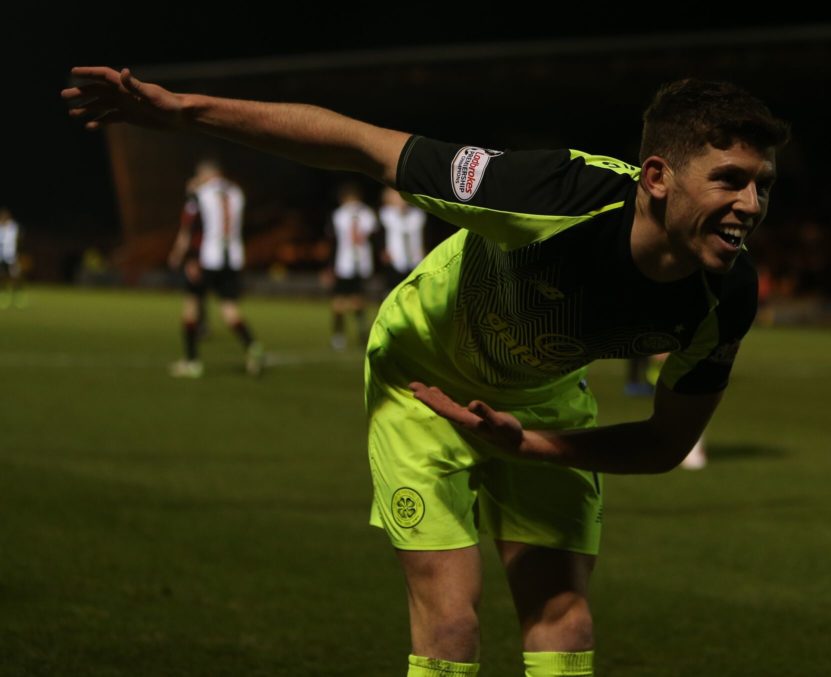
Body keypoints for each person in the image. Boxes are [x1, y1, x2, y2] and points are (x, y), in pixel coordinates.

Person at [64, 67, 787, 675]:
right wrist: (185, 110)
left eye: (761, 185)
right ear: (657, 177)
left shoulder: (727, 295)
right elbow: (360, 144)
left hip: (540, 399)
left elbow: (665, 442)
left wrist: (533, 445)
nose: (749, 206)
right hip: (423, 377)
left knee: (564, 621)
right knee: (450, 627)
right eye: (729, 181)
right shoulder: (547, 193)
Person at [166, 160, 264, 378]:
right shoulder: (237, 193)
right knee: (229, 307)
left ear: (205, 174)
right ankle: (252, 345)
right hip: (233, 258)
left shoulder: (200, 194)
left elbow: (191, 228)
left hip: (207, 258)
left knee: (191, 305)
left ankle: (192, 362)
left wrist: (186, 257)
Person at [327, 182, 376, 350]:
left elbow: (333, 242)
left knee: (345, 302)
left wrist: (329, 266)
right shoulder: (365, 214)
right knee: (352, 301)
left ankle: (344, 336)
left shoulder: (343, 215)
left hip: (353, 263)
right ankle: (350, 335)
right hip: (349, 263)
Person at [378, 185, 427, 290]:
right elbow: (380, 235)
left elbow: (422, 235)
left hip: (414, 257)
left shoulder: (417, 215)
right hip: (394, 258)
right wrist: (383, 250)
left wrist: (423, 249)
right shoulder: (386, 215)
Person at [0, 207, 24, 309]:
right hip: (1, 256)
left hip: (11, 255)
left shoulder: (13, 226)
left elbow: (19, 238)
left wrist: (17, 251)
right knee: (2, 276)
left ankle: (17, 296)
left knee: (15, 276)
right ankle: (3, 295)